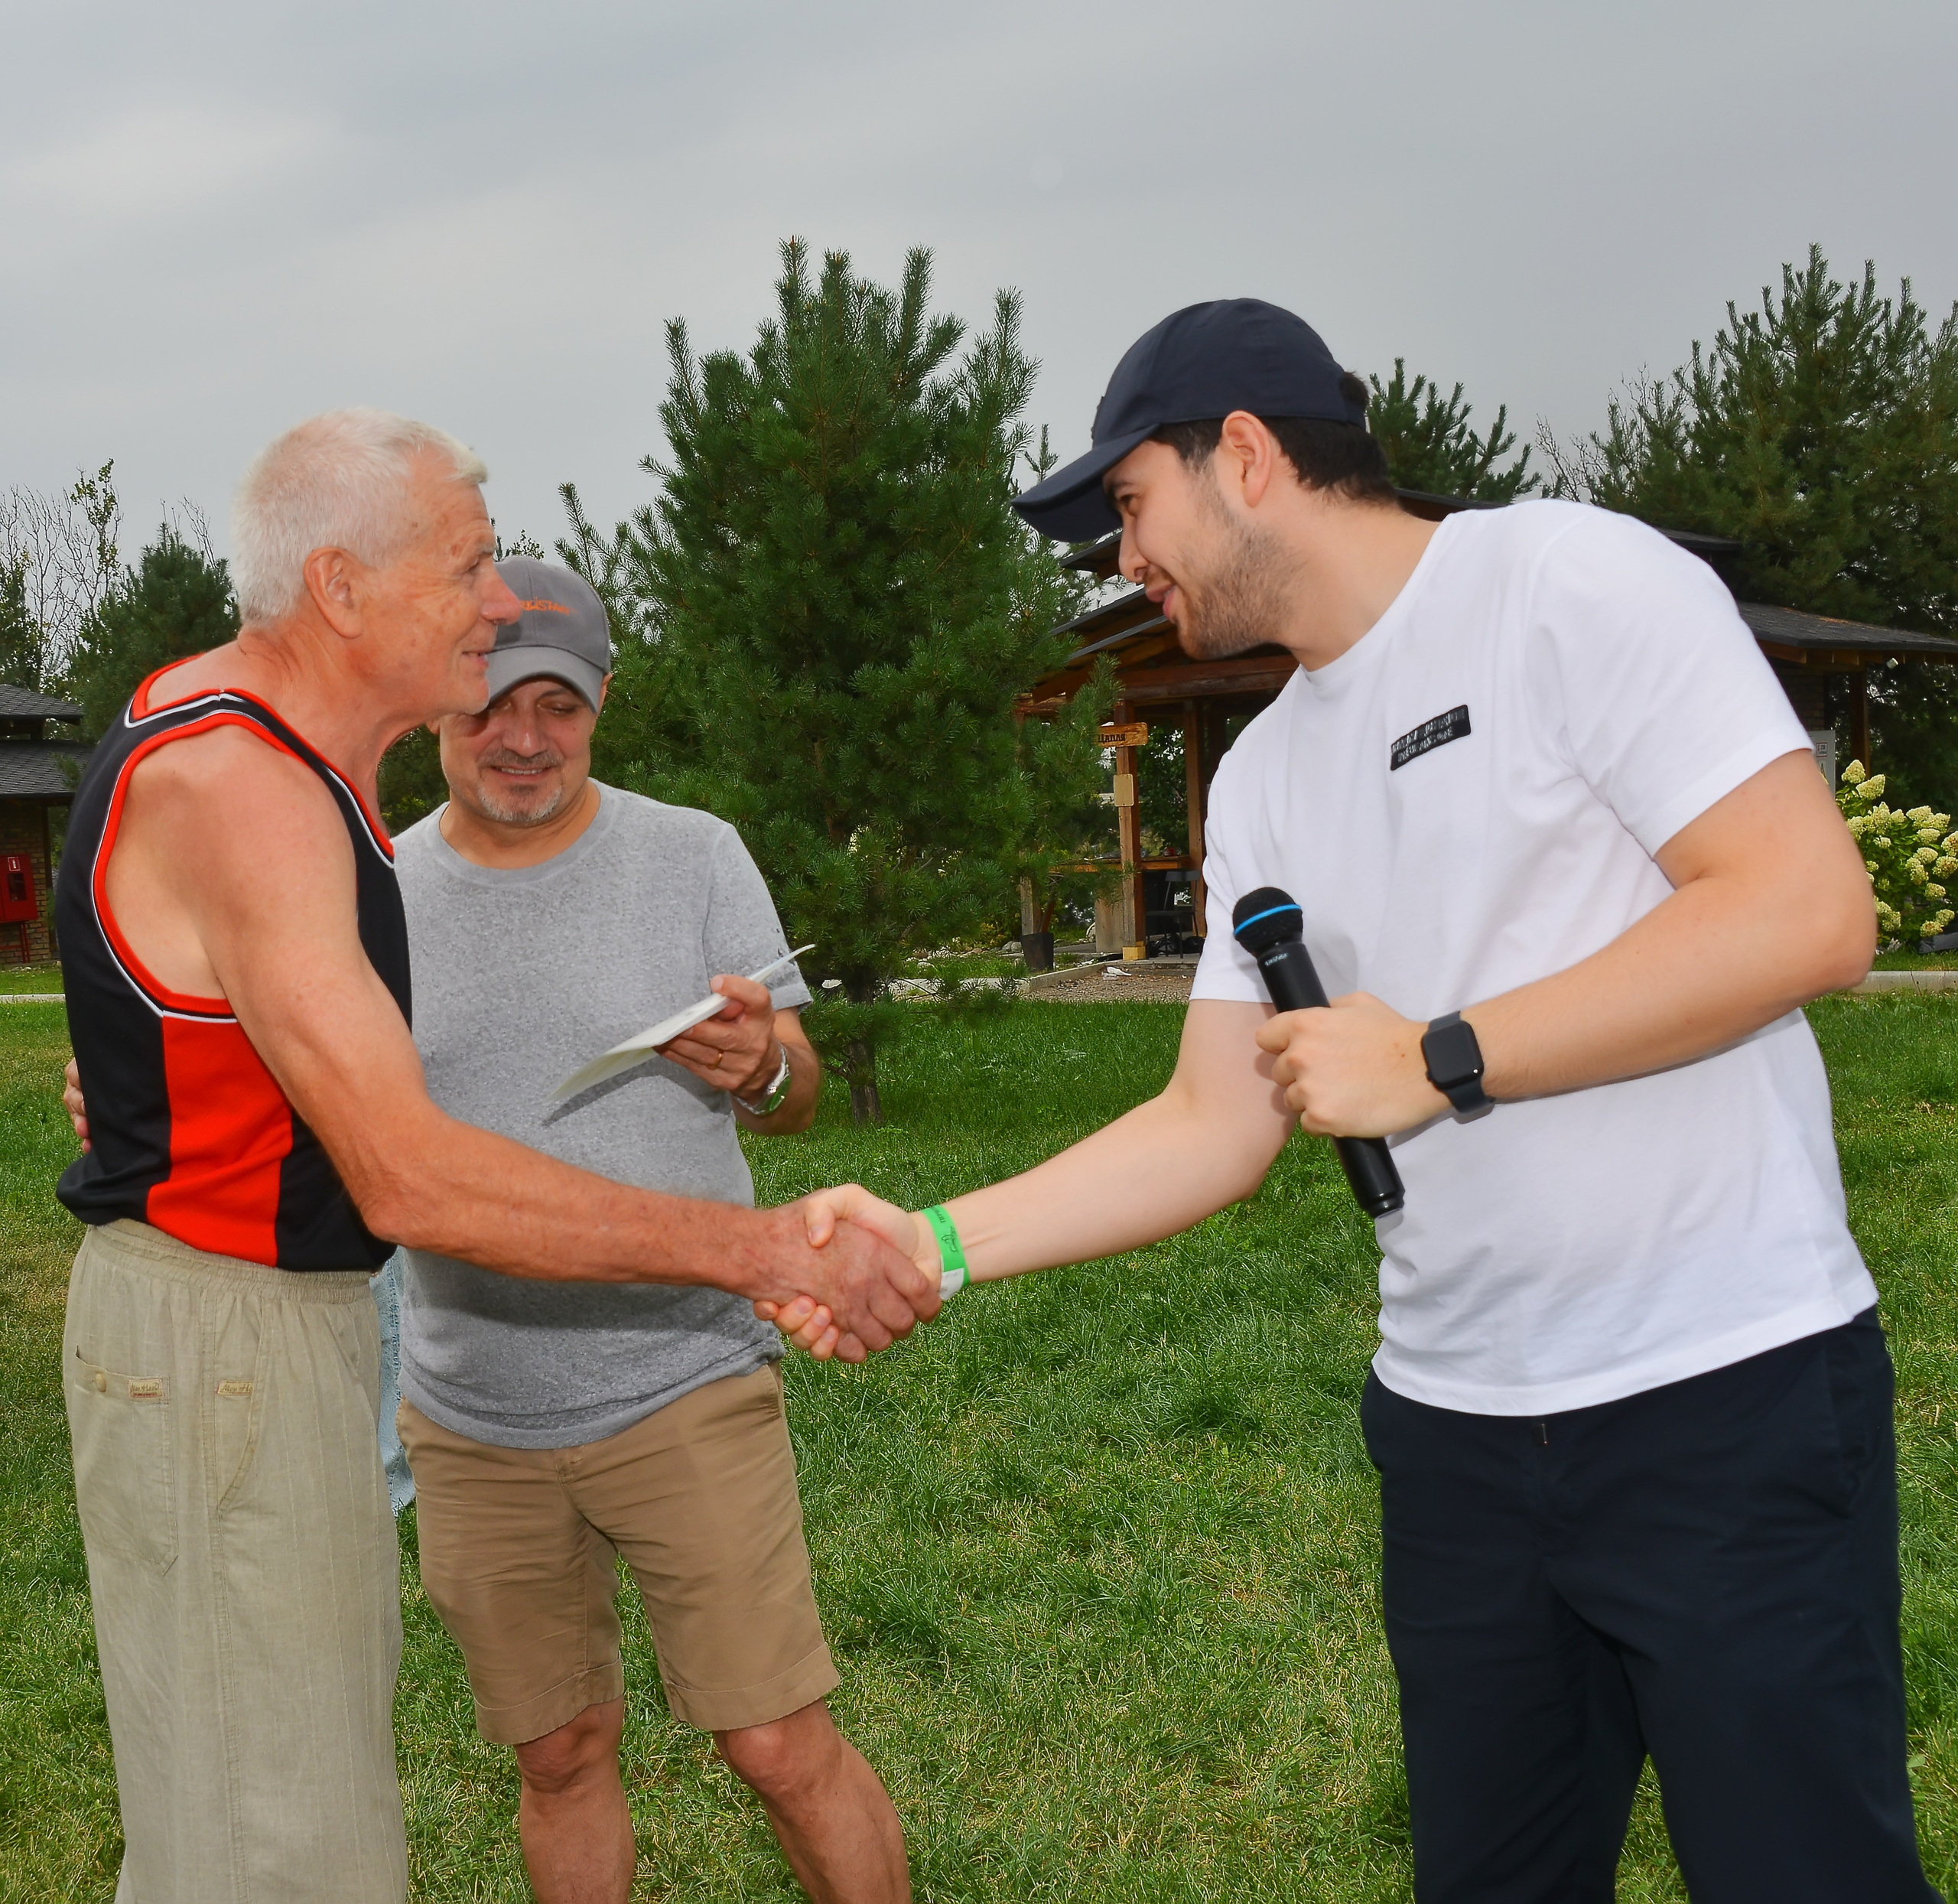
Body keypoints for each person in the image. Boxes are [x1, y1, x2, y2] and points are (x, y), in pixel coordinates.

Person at [778, 302, 1941, 1901]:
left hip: (1718, 1399)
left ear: (1241, 456)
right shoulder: (1260, 773)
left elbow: (1802, 911)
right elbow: (1213, 1119)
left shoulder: (1563, 583)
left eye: (1125, 508)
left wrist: (1440, 1055)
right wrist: (930, 1238)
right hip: (1459, 1446)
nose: (1121, 564)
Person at [54, 409, 935, 1904]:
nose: (486, 606)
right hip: (263, 1363)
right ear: (341, 590)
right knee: (267, 1848)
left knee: (276, 1822)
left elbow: (237, 1016)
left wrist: (166, 1076)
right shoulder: (266, 794)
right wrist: (766, 1250)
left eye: (554, 689)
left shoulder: (264, 750)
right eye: (463, 567)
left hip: (365, 1360)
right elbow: (409, 1175)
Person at [390, 558, 909, 1903]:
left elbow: (793, 1089)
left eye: (556, 704)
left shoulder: (693, 854)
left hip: (683, 1375)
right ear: (441, 704)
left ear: (603, 701)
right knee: (559, 1749)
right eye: (492, 704)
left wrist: (763, 1069)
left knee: (776, 1736)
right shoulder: (373, 893)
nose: (522, 737)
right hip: (469, 1408)